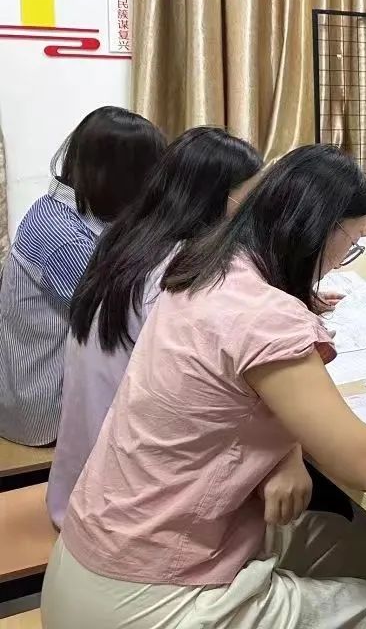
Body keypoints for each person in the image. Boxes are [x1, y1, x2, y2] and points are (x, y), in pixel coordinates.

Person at [43, 144, 366, 629]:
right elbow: (362, 463)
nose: (341, 260)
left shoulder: (202, 269)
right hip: (149, 595)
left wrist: (285, 453)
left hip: (92, 554)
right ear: (320, 233)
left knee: (363, 544)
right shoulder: (266, 316)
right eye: (349, 244)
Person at [47, 127, 264, 528]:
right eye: (251, 195)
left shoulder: (127, 238)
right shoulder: (181, 271)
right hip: (123, 503)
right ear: (216, 198)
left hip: (81, 480)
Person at [0, 106, 165, 446]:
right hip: (46, 408)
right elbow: (125, 318)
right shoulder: (64, 237)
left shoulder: (72, 210)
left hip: (47, 390)